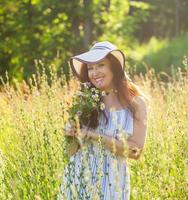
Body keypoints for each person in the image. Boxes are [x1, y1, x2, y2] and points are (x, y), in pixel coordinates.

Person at [58, 41, 148, 200]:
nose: (94, 72)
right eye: (90, 68)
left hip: (112, 183)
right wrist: (71, 133)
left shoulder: (136, 104)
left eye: (100, 65)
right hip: (77, 181)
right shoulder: (84, 101)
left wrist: (94, 136)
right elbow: (70, 152)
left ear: (114, 68)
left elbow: (136, 152)